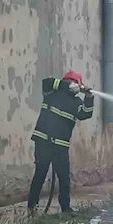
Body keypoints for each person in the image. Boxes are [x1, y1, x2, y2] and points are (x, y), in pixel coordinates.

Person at [27, 71, 94, 215]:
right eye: (70, 82)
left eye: (75, 83)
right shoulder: (51, 92)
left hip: (60, 146)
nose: (73, 85)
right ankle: (32, 208)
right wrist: (67, 85)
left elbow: (86, 114)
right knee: (40, 175)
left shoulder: (76, 102)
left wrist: (89, 97)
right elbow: (47, 81)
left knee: (64, 179)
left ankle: (66, 208)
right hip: (43, 142)